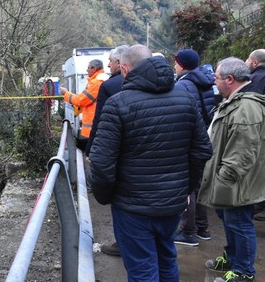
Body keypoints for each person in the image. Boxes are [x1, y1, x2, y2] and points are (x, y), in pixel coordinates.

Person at [89, 44, 213, 281]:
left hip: (132, 207)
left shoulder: (118, 104)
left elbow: (102, 163)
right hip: (172, 204)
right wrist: (185, 188)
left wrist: (105, 196)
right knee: (166, 259)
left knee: (141, 268)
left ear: (125, 69)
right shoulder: (185, 98)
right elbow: (202, 150)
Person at [199, 57, 265, 282]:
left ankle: (244, 272)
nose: (214, 82)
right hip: (229, 180)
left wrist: (224, 177)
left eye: (216, 78)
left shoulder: (246, 106)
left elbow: (243, 151)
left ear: (229, 79)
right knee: (230, 220)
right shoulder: (236, 100)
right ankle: (232, 258)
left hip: (236, 182)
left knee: (240, 223)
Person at [85, 44, 129, 257]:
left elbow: (100, 120)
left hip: (121, 154)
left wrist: (92, 149)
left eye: (111, 61)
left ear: (121, 64)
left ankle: (122, 244)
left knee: (122, 201)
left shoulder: (109, 86)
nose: (109, 64)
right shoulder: (176, 91)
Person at [172, 49, 215, 247]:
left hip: (189, 140)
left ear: (183, 64)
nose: (174, 66)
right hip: (204, 136)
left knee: (188, 185)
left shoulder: (183, 86)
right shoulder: (205, 81)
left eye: (176, 62)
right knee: (198, 185)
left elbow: (181, 115)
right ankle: (202, 228)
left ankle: (188, 232)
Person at [60, 59, 107, 151]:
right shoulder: (100, 80)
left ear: (94, 68)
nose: (87, 70)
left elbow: (81, 101)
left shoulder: (96, 83)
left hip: (94, 128)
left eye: (88, 68)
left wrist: (65, 93)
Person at [245, 49, 265, 222]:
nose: (246, 62)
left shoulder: (256, 80)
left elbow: (252, 110)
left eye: (248, 59)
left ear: (255, 63)